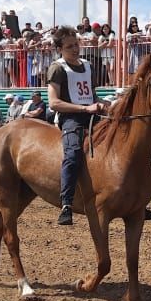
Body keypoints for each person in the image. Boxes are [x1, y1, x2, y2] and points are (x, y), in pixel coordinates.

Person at [47, 26, 110, 225]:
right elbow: (53, 103)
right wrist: (85, 109)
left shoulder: (88, 66)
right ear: (60, 49)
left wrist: (103, 104)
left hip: (92, 113)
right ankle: (66, 203)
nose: (75, 49)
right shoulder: (57, 68)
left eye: (76, 44)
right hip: (70, 118)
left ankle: (134, 200)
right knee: (73, 154)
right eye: (69, 46)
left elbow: (91, 95)